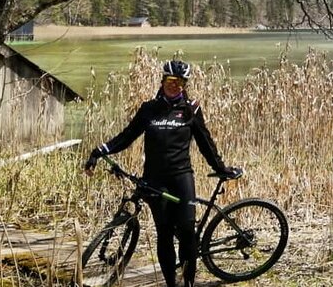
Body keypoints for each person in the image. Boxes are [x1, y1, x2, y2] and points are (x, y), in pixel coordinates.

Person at [84, 59, 240, 287]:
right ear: (162, 80)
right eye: (170, 80)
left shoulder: (191, 109)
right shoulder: (149, 109)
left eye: (179, 82)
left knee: (187, 234)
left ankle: (188, 282)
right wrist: (99, 151)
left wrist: (221, 169)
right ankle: (171, 284)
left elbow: (206, 143)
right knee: (164, 234)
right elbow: (126, 136)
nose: (174, 85)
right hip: (155, 181)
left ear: (185, 84)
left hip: (181, 177)